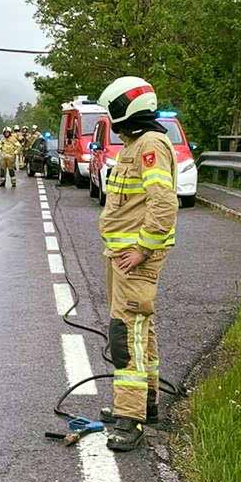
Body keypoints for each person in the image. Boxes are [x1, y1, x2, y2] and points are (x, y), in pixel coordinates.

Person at [95, 76, 178, 452]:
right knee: (141, 330)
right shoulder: (137, 144)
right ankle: (146, 404)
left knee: (126, 333)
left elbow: (164, 203)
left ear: (127, 109)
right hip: (121, 255)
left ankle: (130, 419)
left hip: (134, 258)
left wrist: (143, 249)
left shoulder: (151, 145)